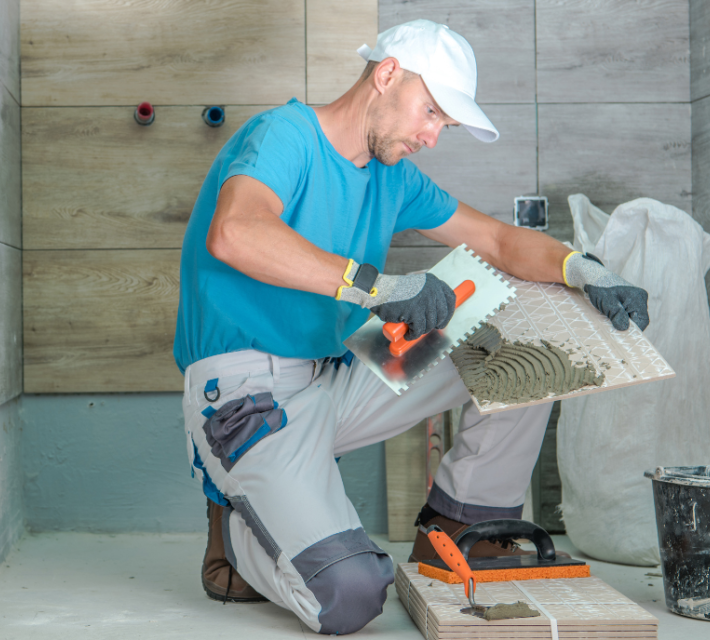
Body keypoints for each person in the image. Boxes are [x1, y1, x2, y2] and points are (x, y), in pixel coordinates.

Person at [173, 19, 649, 635]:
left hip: (335, 377)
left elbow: (498, 241)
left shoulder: (391, 174)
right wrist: (382, 288)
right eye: (431, 113)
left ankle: (459, 524)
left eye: (443, 126)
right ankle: (235, 537)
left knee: (521, 315)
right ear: (387, 74)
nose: (431, 136)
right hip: (246, 397)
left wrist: (578, 268)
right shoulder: (283, 136)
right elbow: (236, 232)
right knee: (351, 595)